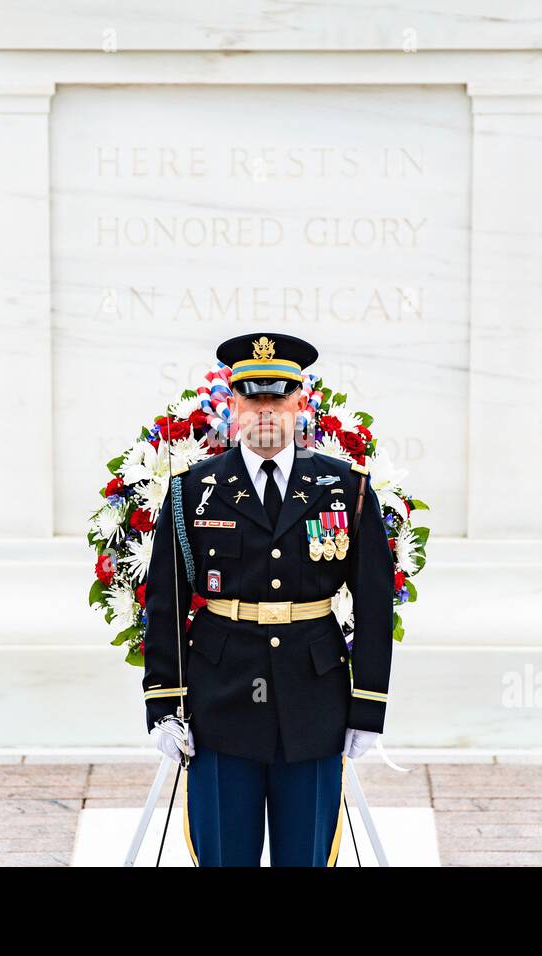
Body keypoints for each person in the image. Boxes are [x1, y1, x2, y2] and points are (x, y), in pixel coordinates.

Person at [141, 331, 396, 866]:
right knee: (224, 854)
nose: (265, 411)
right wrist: (164, 703)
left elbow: (374, 602)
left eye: (277, 397)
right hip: (221, 697)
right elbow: (165, 600)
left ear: (300, 402)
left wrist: (368, 706)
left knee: (304, 855)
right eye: (251, 398)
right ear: (231, 405)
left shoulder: (343, 486)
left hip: (314, 697)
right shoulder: (193, 488)